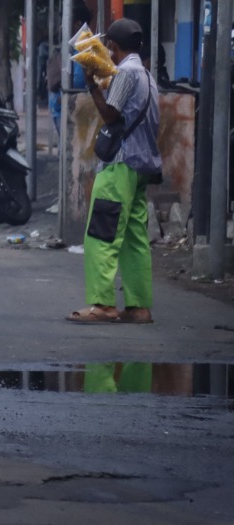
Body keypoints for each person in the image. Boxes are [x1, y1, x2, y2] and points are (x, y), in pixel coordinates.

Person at [69, 18, 160, 325]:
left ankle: (103, 305)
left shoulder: (125, 74)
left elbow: (110, 114)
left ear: (111, 47)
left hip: (120, 164)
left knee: (102, 234)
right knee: (135, 239)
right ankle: (138, 306)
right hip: (141, 165)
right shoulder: (147, 76)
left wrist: (92, 84)